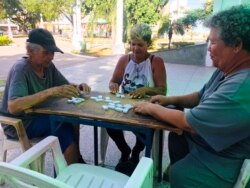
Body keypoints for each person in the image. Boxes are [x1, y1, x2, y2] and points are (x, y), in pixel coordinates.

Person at [133, 5, 250, 188]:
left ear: (236, 45)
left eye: (213, 42)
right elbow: (199, 95)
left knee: (181, 174)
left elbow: (189, 123)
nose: (209, 49)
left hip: (223, 158)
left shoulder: (241, 88)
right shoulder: (226, 70)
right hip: (207, 145)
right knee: (176, 137)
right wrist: (170, 100)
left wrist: (151, 108)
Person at [0, 28, 91, 165]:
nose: (51, 56)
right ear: (30, 51)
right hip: (20, 123)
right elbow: (13, 106)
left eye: (52, 52)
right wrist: (49, 92)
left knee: (72, 120)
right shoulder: (21, 69)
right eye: (46, 53)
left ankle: (77, 160)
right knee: (62, 128)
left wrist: (78, 87)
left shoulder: (48, 67)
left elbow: (64, 86)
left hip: (37, 116)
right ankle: (70, 176)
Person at [108, 23, 167, 175]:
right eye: (133, 44)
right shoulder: (124, 60)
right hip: (125, 106)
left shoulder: (156, 61)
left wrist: (147, 89)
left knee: (146, 130)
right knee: (108, 123)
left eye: (140, 44)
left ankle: (135, 154)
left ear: (148, 44)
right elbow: (113, 81)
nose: (135, 49)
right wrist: (113, 85)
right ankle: (124, 149)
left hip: (147, 108)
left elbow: (163, 90)